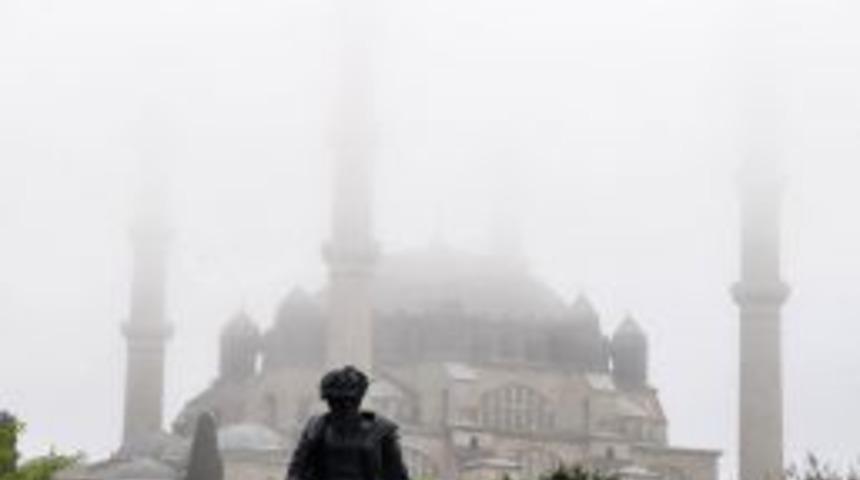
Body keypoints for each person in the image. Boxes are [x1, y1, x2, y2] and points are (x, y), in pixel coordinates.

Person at [286, 366, 410, 480]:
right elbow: (296, 472)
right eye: (335, 402)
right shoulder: (316, 428)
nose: (342, 407)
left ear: (357, 400)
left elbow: (397, 475)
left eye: (347, 401)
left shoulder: (381, 431)